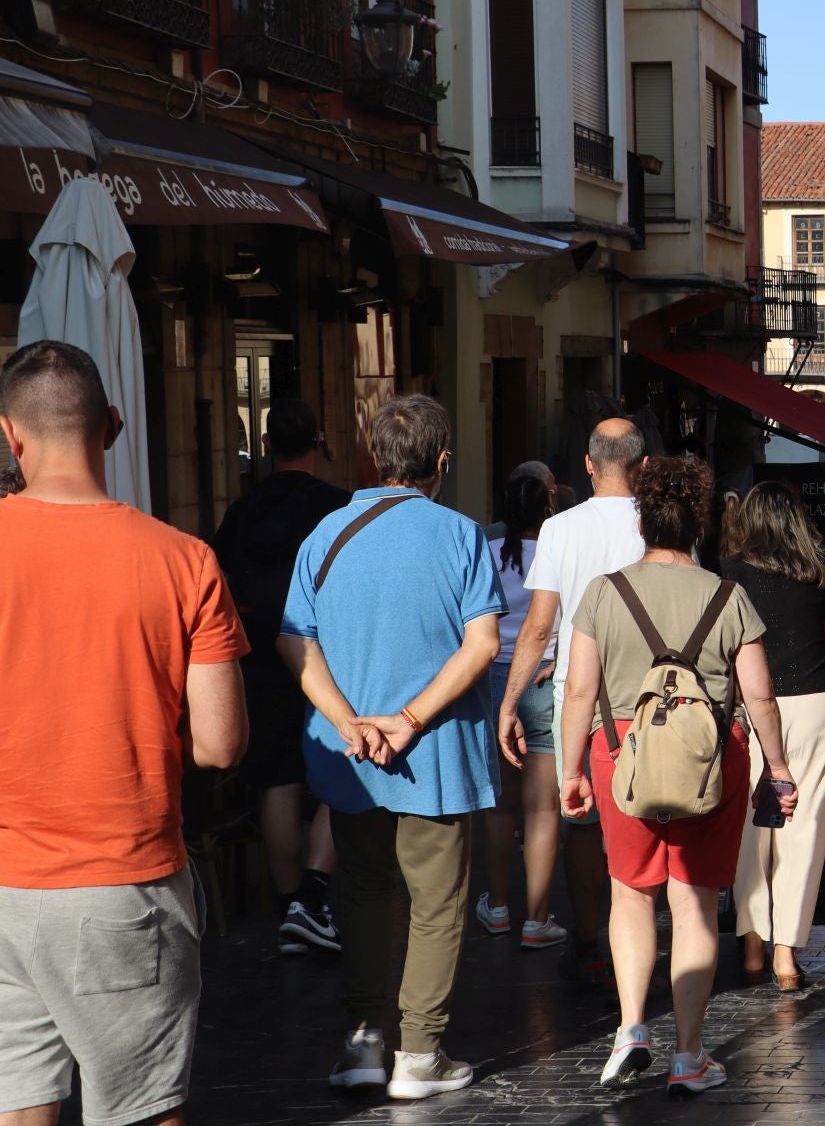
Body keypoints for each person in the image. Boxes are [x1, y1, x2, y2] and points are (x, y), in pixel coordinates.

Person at [0, 340, 249, 1126]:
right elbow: (220, 744)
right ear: (112, 425)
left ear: (12, 436)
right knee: (142, 1113)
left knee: (19, 1107)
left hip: (5, 882)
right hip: (121, 884)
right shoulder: (184, 562)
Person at [279, 394, 505, 1100]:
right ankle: (420, 1051)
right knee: (437, 903)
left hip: (350, 756)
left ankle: (363, 1043)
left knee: (365, 893)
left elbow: (294, 638)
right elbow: (482, 643)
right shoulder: (461, 535)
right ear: (441, 462)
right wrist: (410, 719)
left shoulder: (325, 534)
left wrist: (350, 722)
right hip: (432, 755)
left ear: (375, 458)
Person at [559, 455, 796, 1094]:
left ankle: (631, 1028)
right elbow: (761, 696)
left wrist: (570, 770)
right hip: (709, 764)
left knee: (631, 893)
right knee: (694, 903)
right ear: (702, 524)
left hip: (621, 755)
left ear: (643, 519)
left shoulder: (604, 593)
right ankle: (688, 1056)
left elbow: (579, 692)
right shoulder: (728, 595)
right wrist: (779, 770)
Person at [500, 417, 652, 985]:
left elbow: (540, 627)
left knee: (583, 826)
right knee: (646, 820)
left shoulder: (560, 529)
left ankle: (590, 938)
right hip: (651, 699)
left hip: (579, 702)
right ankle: (635, 939)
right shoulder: (657, 523)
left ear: (588, 464)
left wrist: (509, 701)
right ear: (639, 465)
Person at [213, 396, 351, 955]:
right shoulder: (337, 508)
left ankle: (289, 902)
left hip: (258, 657)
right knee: (344, 774)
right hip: (325, 655)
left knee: (277, 779)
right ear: (318, 442)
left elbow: (220, 578)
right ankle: (313, 898)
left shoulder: (241, 510)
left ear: (267, 446)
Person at [721, 482, 825, 991]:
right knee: (804, 825)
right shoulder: (814, 574)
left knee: (751, 825)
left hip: (751, 705)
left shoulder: (732, 576)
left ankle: (751, 945)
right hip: (814, 701)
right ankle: (786, 955)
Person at [475, 470, 568, 949]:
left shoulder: (487, 555)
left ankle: (496, 905)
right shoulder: (557, 556)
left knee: (499, 804)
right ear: (547, 509)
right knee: (541, 806)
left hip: (494, 681)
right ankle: (537, 918)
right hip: (544, 678)